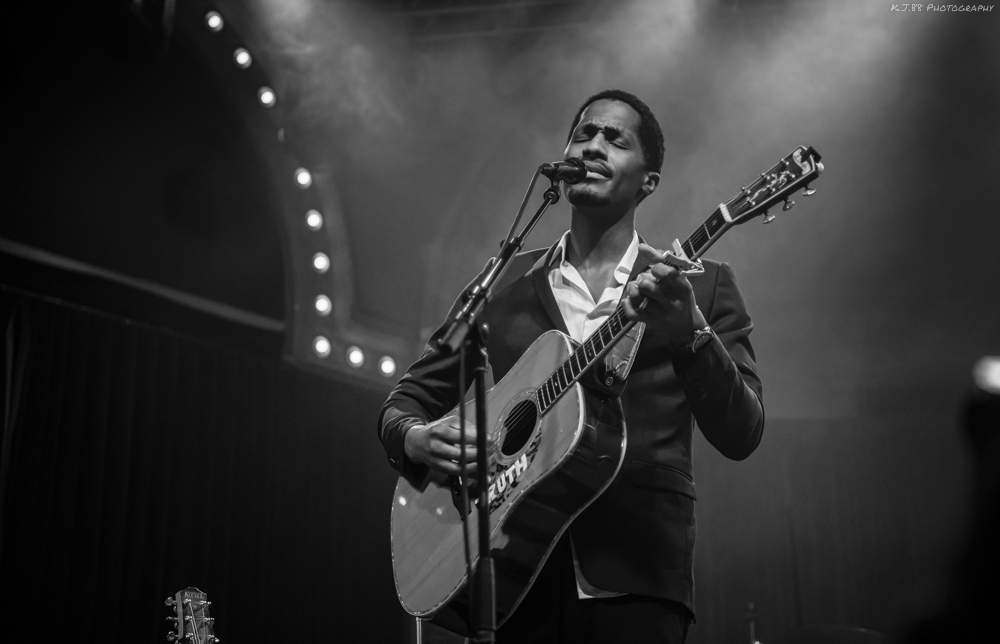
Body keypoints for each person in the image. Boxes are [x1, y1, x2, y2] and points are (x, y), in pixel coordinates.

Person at [378, 89, 764, 643]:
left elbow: (743, 431)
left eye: (615, 138)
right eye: (583, 134)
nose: (593, 145)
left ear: (647, 180)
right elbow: (406, 400)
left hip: (634, 578)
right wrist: (415, 438)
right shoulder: (502, 284)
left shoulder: (702, 287)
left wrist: (691, 331)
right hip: (513, 578)